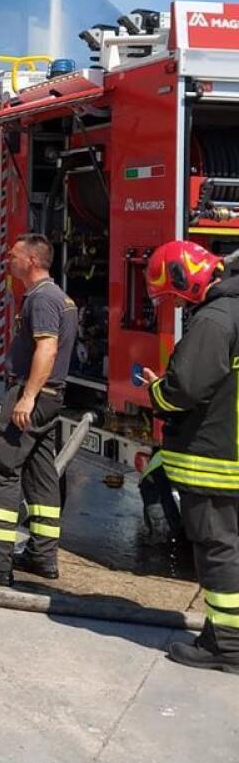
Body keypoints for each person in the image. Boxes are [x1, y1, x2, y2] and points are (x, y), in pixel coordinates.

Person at [0, 233, 76, 586]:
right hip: (51, 396)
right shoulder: (59, 297)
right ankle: (42, 556)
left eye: (14, 255)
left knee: (1, 466)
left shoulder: (41, 299)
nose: (8, 260)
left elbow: (47, 349)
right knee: (41, 475)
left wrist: (27, 397)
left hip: (34, 394)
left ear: (33, 261)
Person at [142, 239, 239, 674]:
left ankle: (228, 646)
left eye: (176, 297)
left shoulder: (215, 320)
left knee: (218, 548)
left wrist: (155, 391)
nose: (178, 306)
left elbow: (185, 388)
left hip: (216, 456)